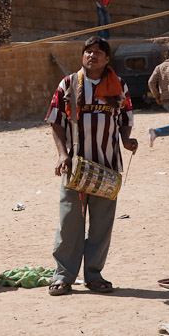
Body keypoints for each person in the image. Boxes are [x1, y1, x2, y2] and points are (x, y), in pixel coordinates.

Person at [45, 36, 138, 296]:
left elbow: (125, 116)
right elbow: (54, 120)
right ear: (82, 56)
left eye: (98, 52)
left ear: (107, 59)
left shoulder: (119, 85)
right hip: (74, 166)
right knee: (69, 222)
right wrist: (63, 154)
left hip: (107, 166)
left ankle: (94, 276)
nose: (92, 55)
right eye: (88, 51)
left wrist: (126, 138)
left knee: (101, 224)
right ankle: (63, 276)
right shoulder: (68, 84)